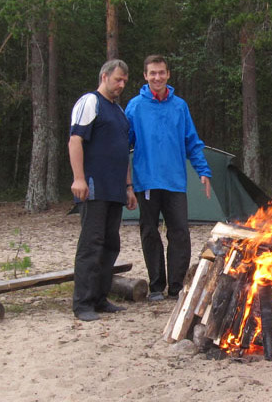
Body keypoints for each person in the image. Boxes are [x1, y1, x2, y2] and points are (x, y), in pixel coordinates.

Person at [126, 55, 212, 301]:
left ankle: (176, 287)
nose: (157, 77)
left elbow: (192, 142)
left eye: (161, 72)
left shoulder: (179, 106)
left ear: (168, 74)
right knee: (149, 232)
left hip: (175, 181)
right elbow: (122, 144)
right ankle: (156, 286)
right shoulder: (135, 106)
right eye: (152, 73)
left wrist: (203, 171)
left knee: (180, 233)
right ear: (145, 76)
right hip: (147, 181)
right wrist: (125, 182)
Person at [68, 59, 137, 322]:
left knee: (110, 245)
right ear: (104, 76)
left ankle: (100, 298)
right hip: (94, 187)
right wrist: (79, 178)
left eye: (124, 81)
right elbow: (75, 140)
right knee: (91, 244)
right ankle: (82, 304)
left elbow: (123, 153)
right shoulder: (90, 102)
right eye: (118, 79)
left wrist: (128, 187)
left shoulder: (118, 111)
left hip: (115, 189)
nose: (121, 85)